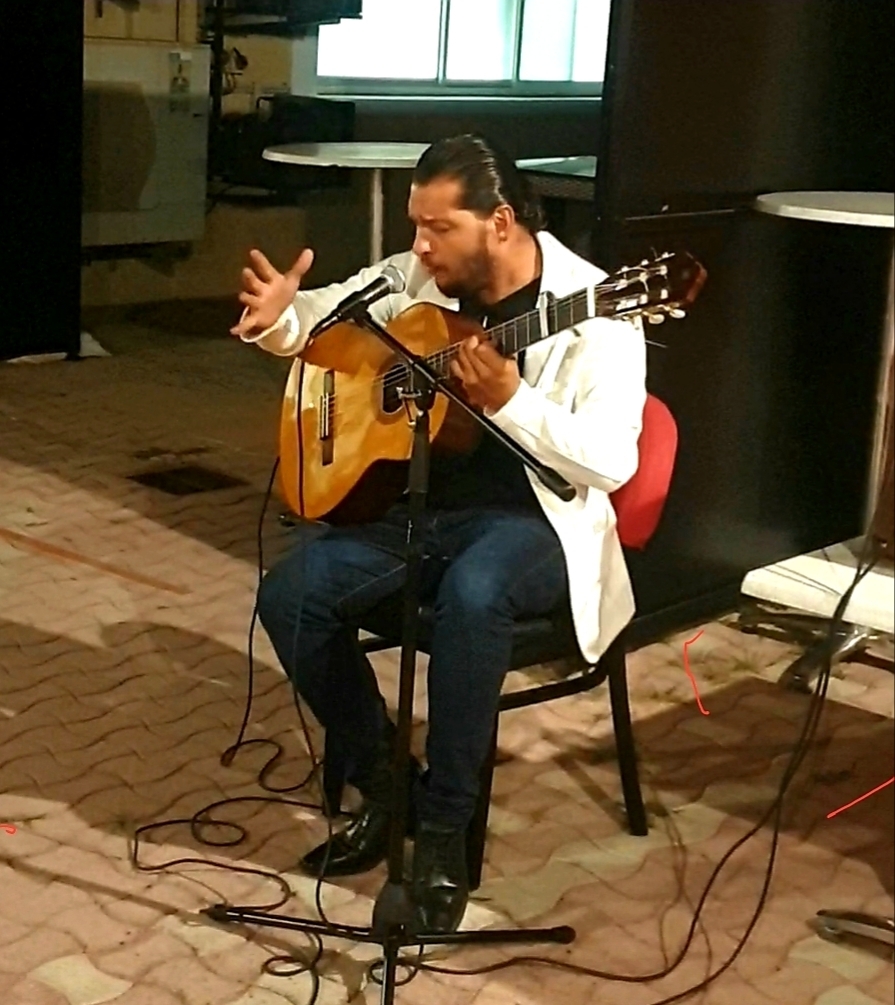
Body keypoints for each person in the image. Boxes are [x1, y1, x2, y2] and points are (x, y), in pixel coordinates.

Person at [232, 134, 647, 934]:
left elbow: (610, 461)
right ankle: (392, 789)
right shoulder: (420, 278)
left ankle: (445, 837)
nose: (419, 245)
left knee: (475, 592)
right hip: (421, 509)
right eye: (416, 226)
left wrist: (511, 401)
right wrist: (284, 317)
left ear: (499, 222)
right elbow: (325, 320)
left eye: (438, 227)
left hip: (536, 522)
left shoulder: (599, 313)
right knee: (290, 593)